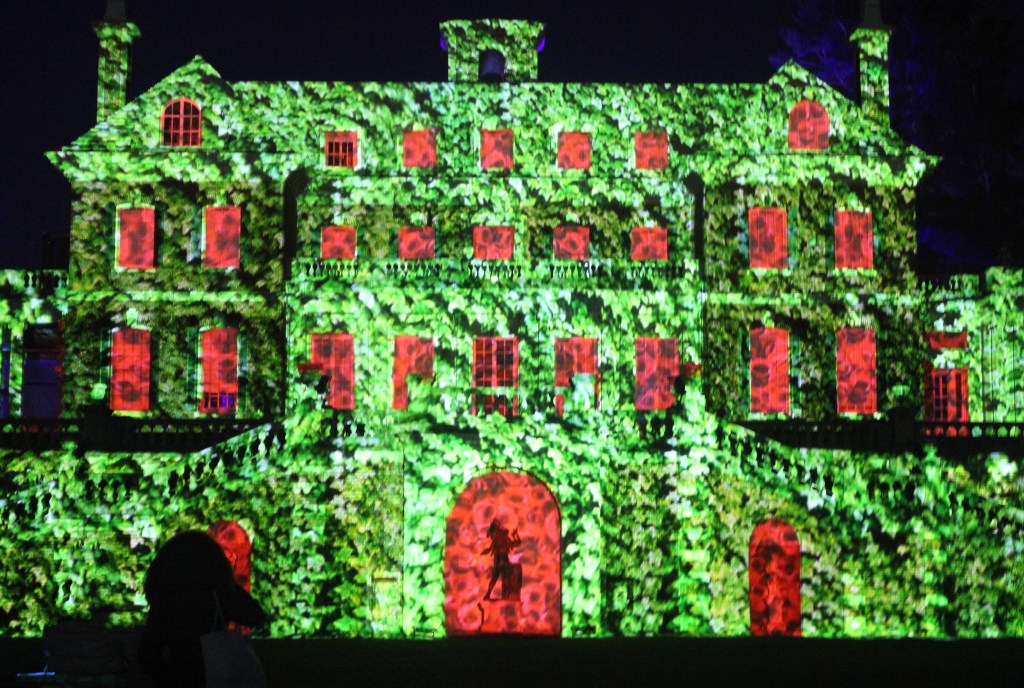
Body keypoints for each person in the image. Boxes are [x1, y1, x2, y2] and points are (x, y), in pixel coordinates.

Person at [138, 530, 266, 688]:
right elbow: (255, 616)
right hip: (221, 676)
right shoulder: (219, 594)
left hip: (181, 677)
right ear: (214, 561)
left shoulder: (168, 597)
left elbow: (148, 654)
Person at [481, 519, 521, 601]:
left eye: (495, 531)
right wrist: (483, 551)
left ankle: (503, 595)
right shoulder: (497, 541)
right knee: (498, 579)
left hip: (502, 561)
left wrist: (515, 535)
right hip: (499, 561)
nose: (494, 534)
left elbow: (517, 543)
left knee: (503, 579)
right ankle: (490, 594)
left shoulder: (504, 539)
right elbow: (489, 549)